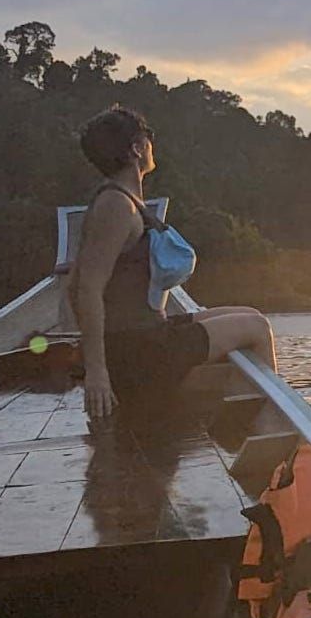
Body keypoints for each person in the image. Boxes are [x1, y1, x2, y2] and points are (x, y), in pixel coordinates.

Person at [67, 105, 277, 419]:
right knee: (257, 328)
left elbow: (74, 283)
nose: (152, 143)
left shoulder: (124, 199)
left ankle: (242, 414)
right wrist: (98, 371)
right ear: (136, 149)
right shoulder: (116, 206)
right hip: (140, 349)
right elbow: (85, 288)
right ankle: (263, 428)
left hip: (148, 334)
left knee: (248, 314)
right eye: (147, 137)